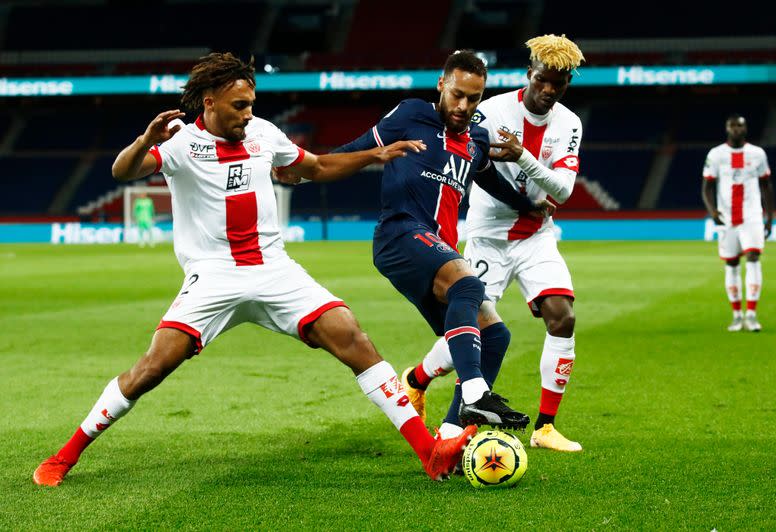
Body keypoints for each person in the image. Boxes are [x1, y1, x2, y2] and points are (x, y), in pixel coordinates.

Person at [32, 53, 476, 487]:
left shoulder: (264, 133)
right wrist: (145, 140)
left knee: (354, 340)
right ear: (208, 102)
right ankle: (64, 455)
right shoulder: (181, 144)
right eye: (239, 106)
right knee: (152, 368)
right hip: (215, 275)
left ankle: (431, 453)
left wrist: (375, 155)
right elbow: (122, 171)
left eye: (251, 104)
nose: (248, 114)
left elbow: (316, 166)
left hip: (274, 270)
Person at [303, 50, 556, 431]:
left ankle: (451, 436)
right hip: (399, 234)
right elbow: (353, 149)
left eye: (474, 98)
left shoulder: (476, 139)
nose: (463, 105)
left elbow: (489, 179)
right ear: (442, 84)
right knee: (468, 284)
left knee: (495, 335)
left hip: (437, 249)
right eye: (457, 94)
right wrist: (304, 168)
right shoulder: (410, 114)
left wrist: (528, 205)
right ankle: (474, 394)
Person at [400, 35, 586, 452]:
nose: (549, 91)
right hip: (488, 237)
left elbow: (566, 189)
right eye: (542, 80)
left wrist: (522, 157)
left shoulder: (569, 123)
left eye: (559, 84)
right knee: (476, 331)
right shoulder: (491, 110)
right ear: (529, 75)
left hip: (537, 237)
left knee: (563, 318)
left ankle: (545, 428)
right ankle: (418, 379)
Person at [702, 114, 774, 332]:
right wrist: (712, 210)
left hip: (752, 216)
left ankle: (751, 314)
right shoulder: (716, 155)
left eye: (739, 125)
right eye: (732, 125)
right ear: (727, 129)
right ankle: (736, 315)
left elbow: (766, 186)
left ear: (745, 129)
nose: (736, 129)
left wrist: (769, 217)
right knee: (732, 264)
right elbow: (706, 186)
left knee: (753, 257)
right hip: (727, 218)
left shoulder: (757, 154)